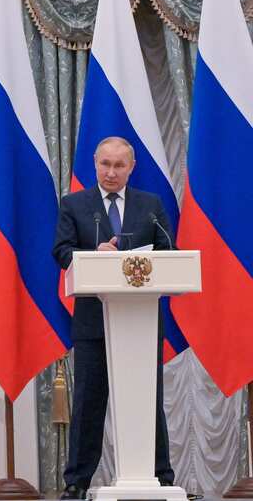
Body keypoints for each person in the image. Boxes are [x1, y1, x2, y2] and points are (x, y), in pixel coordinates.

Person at [52, 136, 175, 500]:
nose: (111, 172)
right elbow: (61, 251)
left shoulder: (150, 205)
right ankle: (77, 482)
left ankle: (161, 477)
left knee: (146, 400)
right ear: (95, 163)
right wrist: (94, 255)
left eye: (119, 165)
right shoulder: (74, 205)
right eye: (105, 164)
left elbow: (168, 252)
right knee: (89, 401)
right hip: (93, 322)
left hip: (139, 323)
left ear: (131, 167)